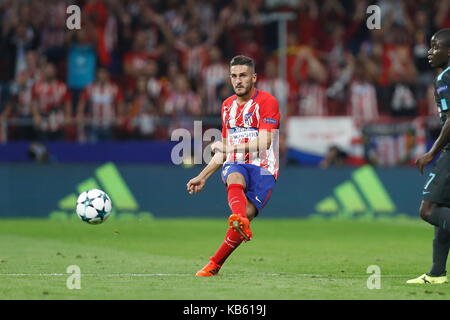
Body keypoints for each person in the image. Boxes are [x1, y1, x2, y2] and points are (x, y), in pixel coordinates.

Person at [186, 55, 280, 277]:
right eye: (234, 76)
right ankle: (217, 257)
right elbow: (226, 148)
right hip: (237, 162)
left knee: (243, 218)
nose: (238, 81)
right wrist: (203, 175)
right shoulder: (227, 106)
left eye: (243, 76)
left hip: (264, 168)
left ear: (254, 78)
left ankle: (216, 264)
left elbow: (265, 141)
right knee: (234, 176)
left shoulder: (267, 102)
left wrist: (229, 149)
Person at [409, 29, 450, 284]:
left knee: (428, 210)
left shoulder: (446, 77)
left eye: (435, 47)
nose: (429, 52)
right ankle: (437, 273)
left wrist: (431, 153)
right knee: (443, 208)